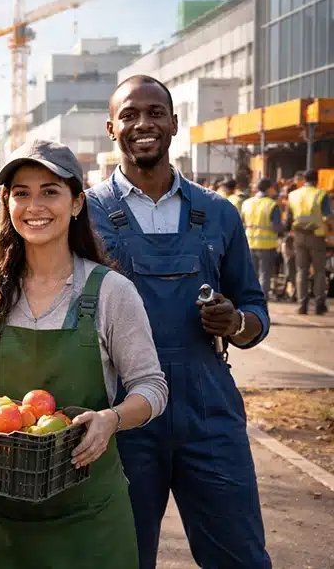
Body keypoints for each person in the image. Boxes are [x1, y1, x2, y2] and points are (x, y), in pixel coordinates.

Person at [0, 139, 167, 568]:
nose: (35, 205)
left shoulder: (110, 292)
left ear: (78, 202)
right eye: (21, 193)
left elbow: (152, 386)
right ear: (6, 203)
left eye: (50, 191)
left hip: (85, 520)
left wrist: (112, 419)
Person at [87, 75, 272, 569]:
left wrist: (234, 323)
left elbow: (256, 313)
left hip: (208, 412)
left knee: (241, 557)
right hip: (119, 415)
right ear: (111, 128)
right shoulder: (83, 215)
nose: (142, 123)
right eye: (129, 115)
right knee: (119, 558)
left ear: (174, 122)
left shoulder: (219, 214)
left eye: (154, 112)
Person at [286, 169, 331, 315]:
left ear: (303, 179)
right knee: (319, 271)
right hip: (316, 236)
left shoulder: (293, 195)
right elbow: (328, 217)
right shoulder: (321, 194)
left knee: (301, 270)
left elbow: (288, 218)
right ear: (317, 179)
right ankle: (319, 304)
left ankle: (302, 304)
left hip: (298, 236)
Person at [242, 178, 283, 301]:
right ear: (269, 188)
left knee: (251, 276)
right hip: (267, 245)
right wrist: (284, 227)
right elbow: (277, 227)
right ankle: (261, 304)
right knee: (265, 276)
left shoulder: (247, 203)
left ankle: (250, 303)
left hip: (249, 244)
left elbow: (241, 223)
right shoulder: (272, 204)